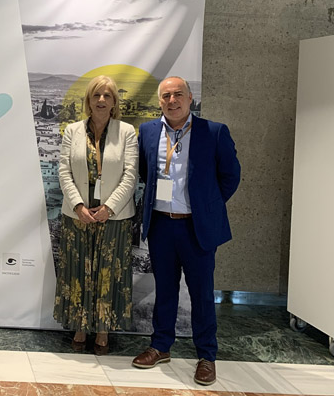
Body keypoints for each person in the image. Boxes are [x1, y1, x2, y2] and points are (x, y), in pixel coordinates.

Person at [132, 76, 240, 386]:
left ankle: (206, 356)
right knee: (165, 289)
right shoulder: (148, 132)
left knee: (201, 293)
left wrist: (207, 207)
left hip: (196, 227)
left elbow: (231, 175)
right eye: (166, 96)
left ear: (190, 98)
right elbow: (145, 172)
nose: (172, 100)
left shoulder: (213, 132)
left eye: (178, 94)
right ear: (160, 101)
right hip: (161, 225)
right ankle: (160, 346)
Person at [54, 75, 138, 355]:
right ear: (88, 101)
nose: (101, 100)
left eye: (107, 95)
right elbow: (64, 171)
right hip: (77, 216)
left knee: (108, 274)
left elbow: (130, 175)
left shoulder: (126, 132)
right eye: (96, 95)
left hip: (114, 217)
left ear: (114, 102)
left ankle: (103, 329)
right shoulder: (72, 131)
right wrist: (78, 206)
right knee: (79, 272)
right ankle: (80, 326)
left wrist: (109, 207)